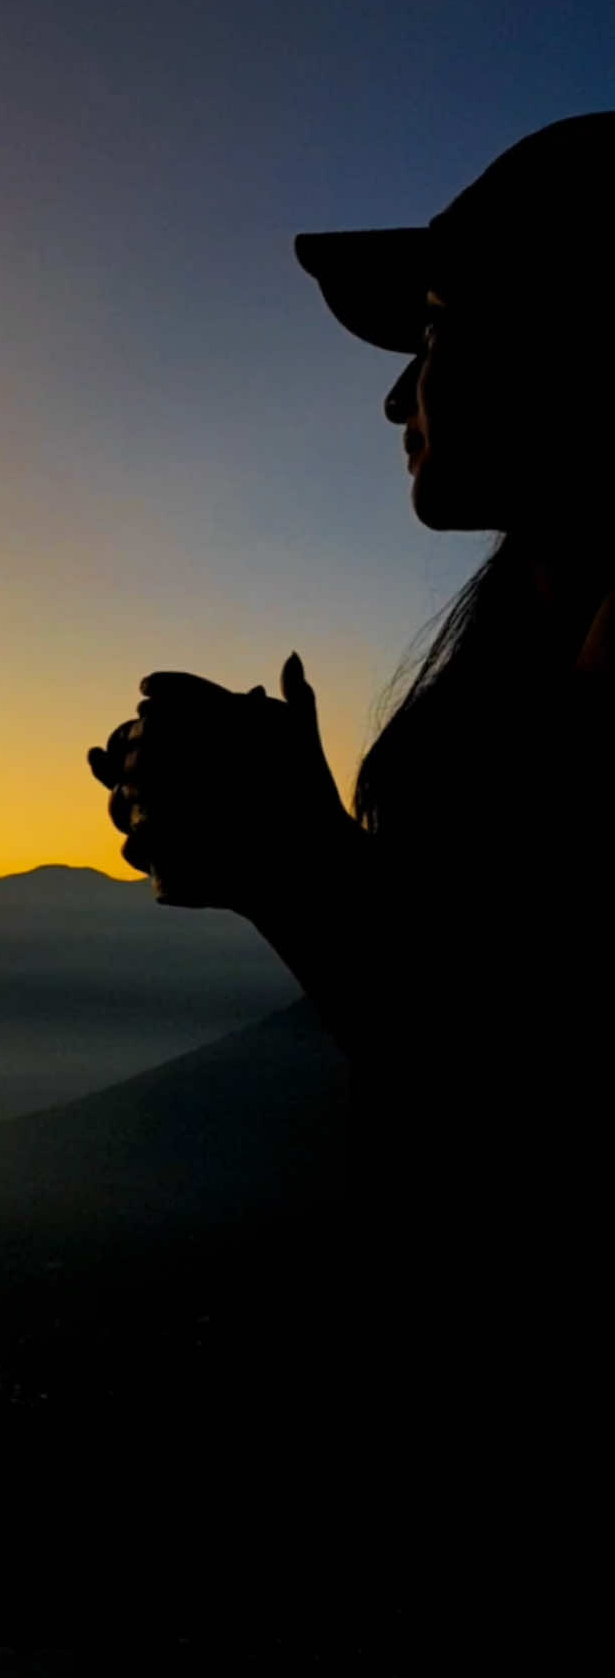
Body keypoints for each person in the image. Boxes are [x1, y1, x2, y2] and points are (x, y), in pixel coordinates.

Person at [88, 111, 615, 1659]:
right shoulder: (539, 645)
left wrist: (297, 867)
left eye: (439, 332)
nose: (394, 390)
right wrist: (291, 856)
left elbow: (552, 1113)